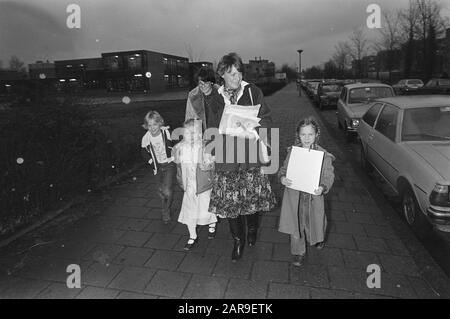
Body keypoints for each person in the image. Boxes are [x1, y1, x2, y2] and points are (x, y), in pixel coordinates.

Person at [202, 52, 277, 262]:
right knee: (230, 203)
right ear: (222, 75)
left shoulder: (253, 91)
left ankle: (252, 228)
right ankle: (238, 240)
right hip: (226, 157)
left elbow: (267, 117)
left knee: (250, 200)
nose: (236, 77)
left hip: (249, 154)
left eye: (238, 72)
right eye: (231, 74)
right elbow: (212, 126)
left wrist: (256, 127)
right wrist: (209, 152)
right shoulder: (216, 97)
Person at [278, 117, 335, 267]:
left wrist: (323, 187)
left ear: (317, 134)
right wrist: (283, 178)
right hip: (295, 197)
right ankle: (298, 252)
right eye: (303, 134)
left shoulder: (323, 156)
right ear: (298, 135)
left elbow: (329, 175)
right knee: (296, 224)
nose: (307, 138)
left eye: (310, 134)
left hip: (313, 197)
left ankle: (318, 237)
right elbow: (283, 169)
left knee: (315, 222)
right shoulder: (293, 152)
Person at [174, 119, 217, 250]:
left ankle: (212, 224)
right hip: (189, 186)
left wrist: (209, 163)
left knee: (207, 208)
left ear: (201, 134)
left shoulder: (205, 148)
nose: (192, 136)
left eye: (195, 133)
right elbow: (178, 165)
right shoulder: (181, 148)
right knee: (189, 211)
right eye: (188, 133)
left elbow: (212, 164)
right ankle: (193, 235)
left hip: (203, 185)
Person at [141, 111, 175, 224]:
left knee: (167, 190)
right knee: (159, 190)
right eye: (149, 125)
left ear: (160, 123)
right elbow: (143, 152)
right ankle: (166, 200)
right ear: (146, 126)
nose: (152, 128)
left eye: (155, 124)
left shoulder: (166, 133)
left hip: (169, 164)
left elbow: (174, 144)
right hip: (158, 167)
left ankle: (166, 210)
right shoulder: (146, 138)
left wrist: (174, 155)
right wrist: (151, 161)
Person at [185, 66, 219, 132]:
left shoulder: (221, 93)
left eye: (206, 83)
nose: (202, 86)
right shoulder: (193, 96)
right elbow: (189, 118)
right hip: (202, 135)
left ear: (211, 82)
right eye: (200, 82)